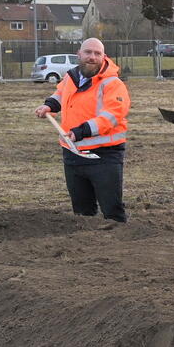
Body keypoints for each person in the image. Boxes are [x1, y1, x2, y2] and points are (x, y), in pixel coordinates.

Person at [35, 37, 130, 224]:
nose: (92, 57)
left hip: (104, 155)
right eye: (88, 52)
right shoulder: (71, 77)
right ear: (79, 54)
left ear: (104, 56)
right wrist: (50, 106)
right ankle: (86, 247)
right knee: (81, 211)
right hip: (72, 153)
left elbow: (112, 115)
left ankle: (120, 248)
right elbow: (61, 93)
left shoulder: (113, 83)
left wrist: (81, 131)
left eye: (97, 53)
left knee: (112, 211)